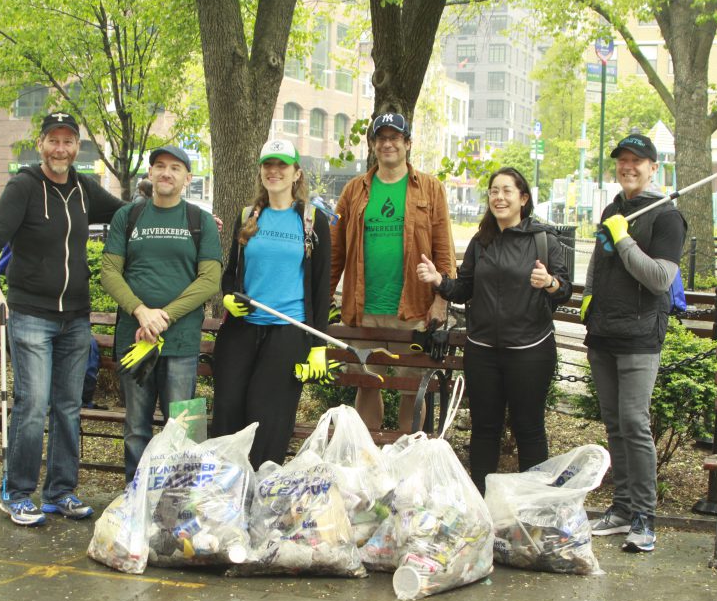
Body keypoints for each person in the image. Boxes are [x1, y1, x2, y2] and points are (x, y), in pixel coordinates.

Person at [0, 111, 125, 526]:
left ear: (77, 147)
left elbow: (129, 214)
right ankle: (17, 491)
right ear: (41, 144)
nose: (61, 149)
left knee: (67, 407)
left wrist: (191, 220)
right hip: (30, 317)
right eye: (53, 141)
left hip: (75, 319)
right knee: (33, 404)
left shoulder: (84, 189)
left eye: (68, 141)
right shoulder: (24, 187)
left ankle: (60, 491)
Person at [416, 167, 571, 494]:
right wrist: (439, 282)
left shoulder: (543, 240)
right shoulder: (481, 241)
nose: (499, 198)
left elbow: (566, 290)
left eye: (507, 191)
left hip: (530, 351)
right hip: (483, 351)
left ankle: (532, 506)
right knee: (485, 430)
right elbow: (465, 289)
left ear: (523, 198)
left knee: (529, 430)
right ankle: (481, 502)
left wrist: (550, 283)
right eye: (494, 191)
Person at [582, 133, 687, 553]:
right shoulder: (613, 209)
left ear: (653, 168)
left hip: (641, 334)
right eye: (622, 160)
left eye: (637, 161)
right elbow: (596, 265)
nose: (628, 166)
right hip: (604, 331)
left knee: (634, 423)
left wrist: (624, 239)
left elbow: (661, 278)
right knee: (615, 424)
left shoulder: (667, 218)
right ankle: (622, 507)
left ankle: (645, 514)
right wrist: (588, 306)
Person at [101, 145, 222, 484]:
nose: (166, 173)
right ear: (150, 173)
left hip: (181, 343)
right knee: (136, 428)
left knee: (183, 427)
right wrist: (141, 312)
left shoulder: (200, 221)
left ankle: (179, 502)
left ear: (188, 178)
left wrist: (163, 317)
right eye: (160, 166)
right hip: (135, 340)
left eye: (175, 168)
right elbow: (110, 272)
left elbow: (210, 279)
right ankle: (135, 495)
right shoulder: (129, 217)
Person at [211, 140, 332, 469]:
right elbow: (231, 273)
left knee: (268, 419)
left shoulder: (312, 221)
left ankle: (262, 495)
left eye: (282, 165)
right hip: (242, 331)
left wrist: (318, 345)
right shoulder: (248, 216)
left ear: (297, 173)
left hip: (287, 333)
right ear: (261, 171)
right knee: (227, 411)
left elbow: (322, 286)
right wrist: (227, 296)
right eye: (268, 165)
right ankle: (224, 492)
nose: (274, 171)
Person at [331, 112, 456, 432]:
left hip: (412, 310)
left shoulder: (430, 189)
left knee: (411, 389)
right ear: (372, 145)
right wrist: (321, 300)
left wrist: (441, 302)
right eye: (381, 138)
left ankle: (405, 459)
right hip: (364, 310)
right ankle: (368, 455)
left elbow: (444, 250)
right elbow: (335, 253)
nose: (388, 144)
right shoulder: (353, 190)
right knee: (366, 383)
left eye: (395, 138)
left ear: (408, 144)